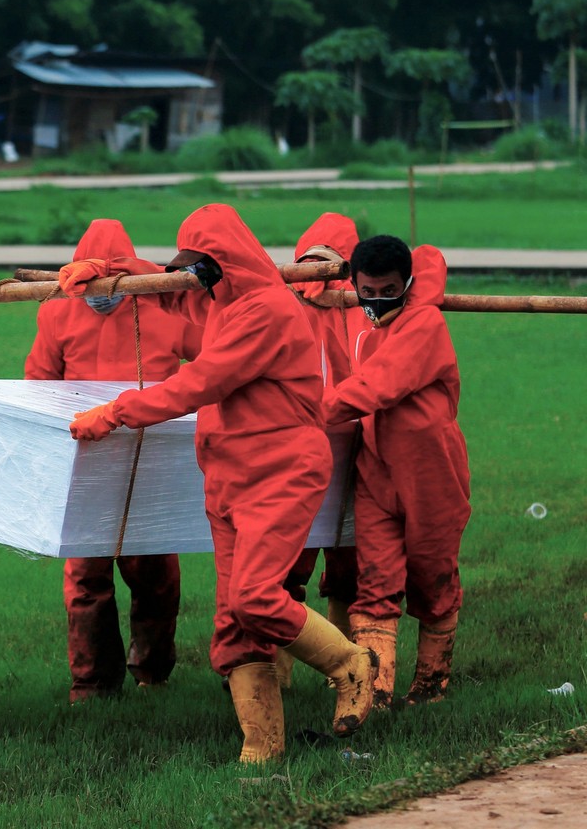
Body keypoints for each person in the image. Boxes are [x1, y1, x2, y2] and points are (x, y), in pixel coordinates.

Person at [67, 204, 378, 763]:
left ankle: (349, 664)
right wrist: (105, 270)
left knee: (257, 597)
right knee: (235, 622)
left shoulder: (265, 312)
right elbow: (165, 290)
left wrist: (116, 411)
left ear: (230, 261)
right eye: (194, 271)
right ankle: (262, 750)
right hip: (229, 477)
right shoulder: (224, 303)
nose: (198, 282)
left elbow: (199, 382)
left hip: (280, 472)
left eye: (205, 269)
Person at [25, 219, 202, 704]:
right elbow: (38, 386)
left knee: (155, 571)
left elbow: (214, 360)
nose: (98, 294)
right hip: (84, 462)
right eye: (89, 285)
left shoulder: (163, 311)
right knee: (86, 574)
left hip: (151, 460)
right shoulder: (57, 316)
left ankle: (152, 670)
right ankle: (93, 684)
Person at [323, 235, 471, 709]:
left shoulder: (424, 323)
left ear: (407, 285)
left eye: (390, 290)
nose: (377, 300)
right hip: (376, 471)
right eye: (368, 291)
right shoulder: (362, 326)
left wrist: (299, 413)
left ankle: (430, 685)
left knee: (432, 577)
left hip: (432, 474)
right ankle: (371, 692)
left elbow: (375, 388)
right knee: (376, 579)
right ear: (354, 286)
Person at [275, 212, 367, 689]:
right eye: (309, 266)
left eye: (326, 265)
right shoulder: (282, 308)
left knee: (349, 562)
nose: (317, 275)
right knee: (288, 561)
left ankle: (347, 666)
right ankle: (280, 673)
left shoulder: (365, 309)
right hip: (300, 452)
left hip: (358, 452)